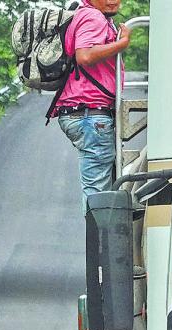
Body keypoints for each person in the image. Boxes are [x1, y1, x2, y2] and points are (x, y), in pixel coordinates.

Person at [52, 0, 131, 205]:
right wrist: (121, 44)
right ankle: (99, 237)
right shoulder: (93, 17)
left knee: (100, 187)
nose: (113, 0)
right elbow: (85, 56)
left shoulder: (86, 15)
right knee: (98, 194)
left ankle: (104, 233)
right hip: (90, 114)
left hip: (83, 114)